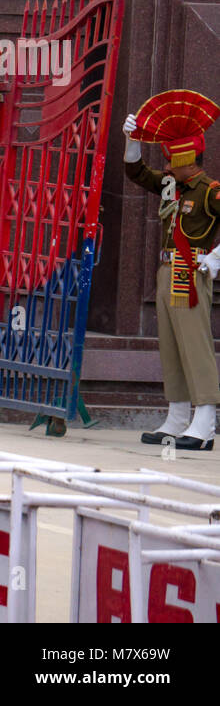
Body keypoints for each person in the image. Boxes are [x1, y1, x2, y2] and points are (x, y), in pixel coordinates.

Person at [124, 92, 220, 450]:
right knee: (172, 347)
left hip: (191, 269)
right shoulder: (171, 186)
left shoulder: (210, 191)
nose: (165, 166)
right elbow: (135, 172)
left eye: (169, 159)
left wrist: (214, 260)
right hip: (167, 269)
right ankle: (178, 417)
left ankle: (206, 422)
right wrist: (132, 141)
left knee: (195, 346)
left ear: (185, 158)